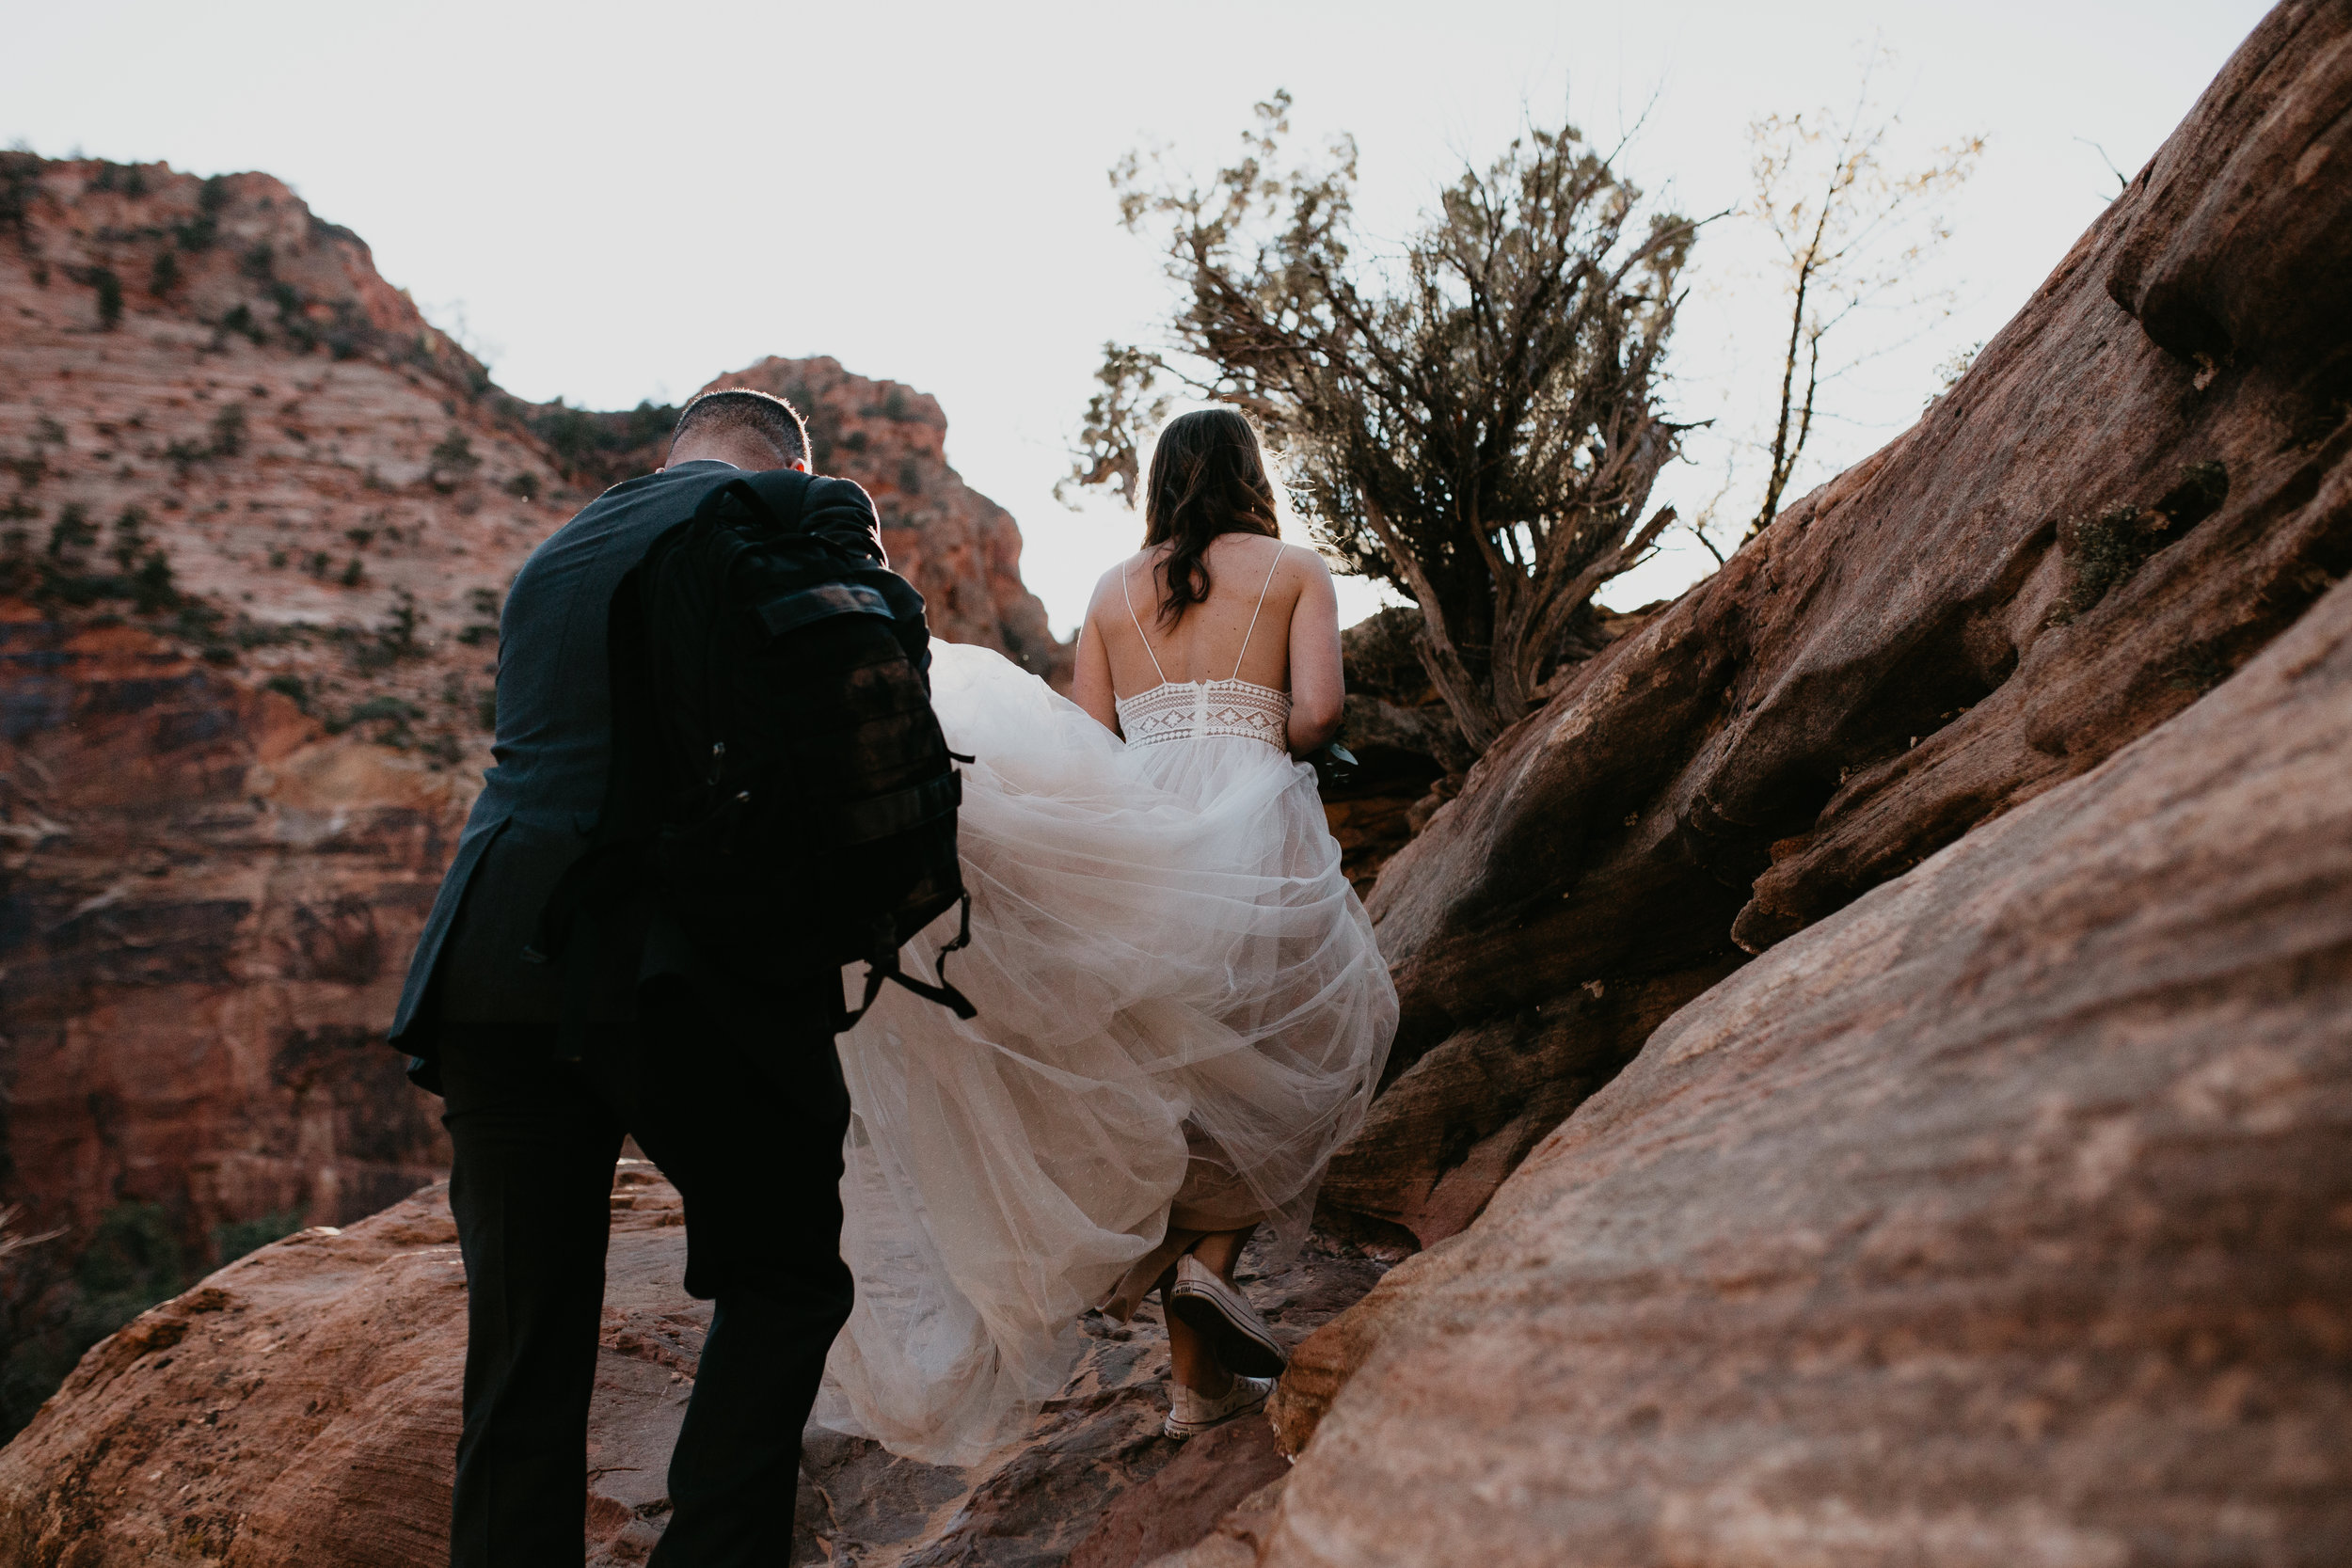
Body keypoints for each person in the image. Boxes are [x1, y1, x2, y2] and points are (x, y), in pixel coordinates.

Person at [814, 407, 1397, 1462]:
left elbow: (1089, 740)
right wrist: (1258, 727)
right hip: (1258, 814)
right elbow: (1315, 714)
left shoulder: (1108, 591)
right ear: (1251, 473)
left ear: (1160, 484)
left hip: (1149, 830)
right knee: (1294, 1057)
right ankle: (1209, 1268)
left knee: (1185, 1077)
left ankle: (1194, 1387)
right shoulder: (1296, 568)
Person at [387, 388, 858, 1567]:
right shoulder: (787, 510)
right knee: (786, 1268)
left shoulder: (561, 548)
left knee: (522, 1346)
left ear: (674, 452)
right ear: (784, 456)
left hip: (488, 959)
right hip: (672, 962)